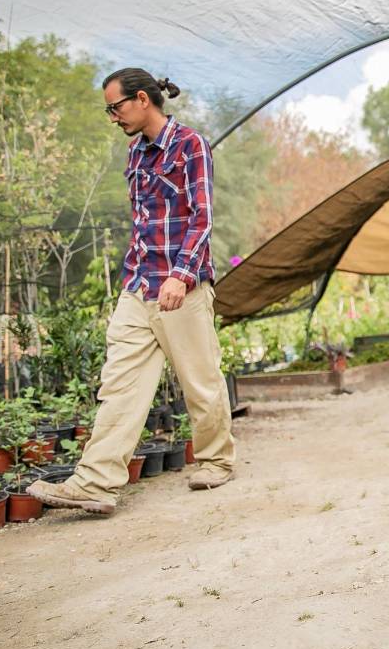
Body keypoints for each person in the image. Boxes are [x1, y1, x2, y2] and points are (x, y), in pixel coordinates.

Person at [29, 68, 237, 515]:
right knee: (119, 385)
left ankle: (217, 460)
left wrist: (181, 276)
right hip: (139, 285)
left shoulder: (190, 145)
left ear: (142, 99)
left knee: (199, 382)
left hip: (181, 285)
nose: (112, 117)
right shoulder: (134, 153)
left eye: (115, 107)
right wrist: (133, 277)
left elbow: (202, 218)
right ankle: (96, 483)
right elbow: (142, 222)